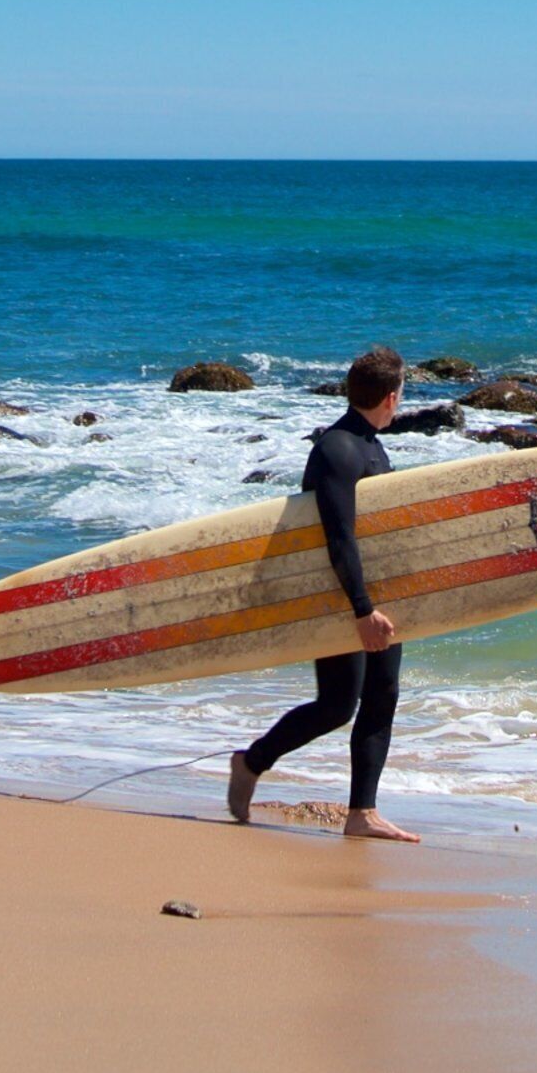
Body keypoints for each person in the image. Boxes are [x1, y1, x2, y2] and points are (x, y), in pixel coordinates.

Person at [225, 345, 419, 842]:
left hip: (377, 594)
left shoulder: (372, 445)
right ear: (391, 398)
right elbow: (338, 536)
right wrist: (361, 609)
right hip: (342, 595)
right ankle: (251, 762)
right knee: (337, 704)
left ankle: (362, 813)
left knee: (383, 696)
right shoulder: (337, 449)